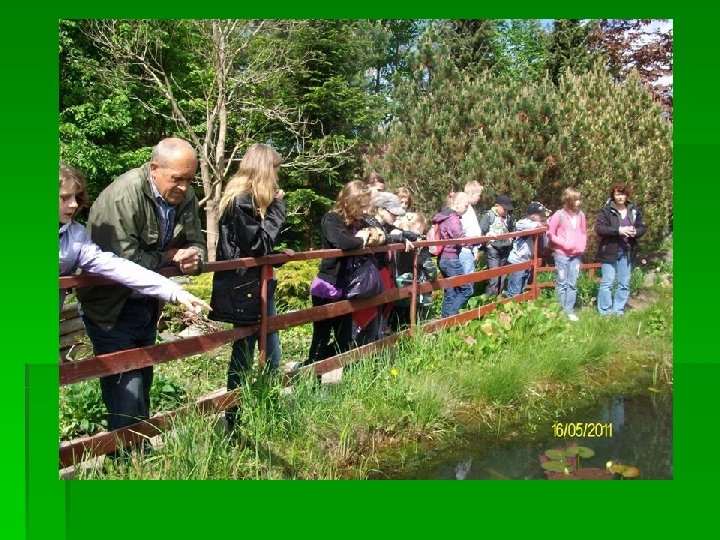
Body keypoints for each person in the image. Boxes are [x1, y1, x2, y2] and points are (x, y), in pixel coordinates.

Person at [76, 137, 208, 432]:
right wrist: (169, 257)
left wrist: (194, 258)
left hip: (147, 304)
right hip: (110, 306)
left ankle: (137, 451)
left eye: (189, 179)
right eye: (177, 179)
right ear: (154, 168)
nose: (184, 187)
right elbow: (123, 261)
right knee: (126, 389)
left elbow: (197, 242)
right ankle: (123, 452)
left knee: (143, 381)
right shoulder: (123, 196)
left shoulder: (185, 196)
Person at [59, 163, 209, 314]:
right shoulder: (126, 193)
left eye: (75, 197)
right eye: (65, 198)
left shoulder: (76, 235)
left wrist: (176, 292)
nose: (74, 204)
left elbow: (119, 267)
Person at [209, 143, 287, 430]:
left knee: (269, 352)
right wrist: (278, 207)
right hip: (244, 290)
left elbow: (254, 248)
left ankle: (265, 412)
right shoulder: (241, 202)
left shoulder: (247, 200)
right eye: (276, 170)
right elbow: (257, 246)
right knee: (244, 353)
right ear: (267, 170)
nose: (278, 177)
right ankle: (235, 419)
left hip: (253, 286)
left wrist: (277, 257)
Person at [306, 181, 377, 365]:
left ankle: (321, 367)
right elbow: (342, 242)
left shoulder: (359, 222)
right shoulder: (331, 219)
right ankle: (311, 374)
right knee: (321, 336)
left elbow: (379, 234)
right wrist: (361, 239)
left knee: (344, 339)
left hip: (347, 287)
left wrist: (373, 235)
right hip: (327, 287)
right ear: (349, 201)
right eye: (361, 206)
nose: (364, 210)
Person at [354, 192, 411, 343]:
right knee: (371, 313)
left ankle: (376, 345)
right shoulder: (369, 224)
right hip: (371, 276)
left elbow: (400, 234)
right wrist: (398, 237)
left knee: (380, 311)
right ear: (380, 210)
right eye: (392, 213)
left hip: (380, 273)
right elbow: (377, 238)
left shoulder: (384, 226)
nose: (395, 217)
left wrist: (405, 236)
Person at [595, 183, 646, 316]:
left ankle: (618, 310)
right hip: (609, 251)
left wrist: (636, 232)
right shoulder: (606, 211)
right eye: (617, 194)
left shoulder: (633, 211)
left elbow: (642, 227)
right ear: (613, 195)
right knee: (607, 282)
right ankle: (605, 311)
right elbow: (599, 229)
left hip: (627, 252)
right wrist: (618, 230)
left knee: (624, 284)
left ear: (627, 195)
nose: (620, 197)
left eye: (622, 194)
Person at [546, 188, 587, 321]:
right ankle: (561, 311)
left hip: (576, 255)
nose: (579, 202)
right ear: (569, 200)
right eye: (576, 199)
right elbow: (550, 234)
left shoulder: (581, 215)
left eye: (579, 199)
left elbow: (583, 232)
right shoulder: (559, 215)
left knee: (572, 283)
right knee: (562, 283)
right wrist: (564, 243)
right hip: (562, 255)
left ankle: (569, 311)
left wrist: (582, 245)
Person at [391, 211, 438, 328]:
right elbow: (427, 264)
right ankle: (414, 332)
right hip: (414, 281)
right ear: (418, 226)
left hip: (397, 281)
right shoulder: (419, 243)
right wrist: (432, 277)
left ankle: (397, 334)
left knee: (398, 314)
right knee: (415, 314)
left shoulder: (396, 237)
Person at [432, 192, 472, 317]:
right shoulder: (452, 219)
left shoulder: (444, 216)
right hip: (451, 259)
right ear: (457, 204)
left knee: (450, 291)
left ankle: (445, 321)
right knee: (466, 290)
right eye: (466, 206)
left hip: (443, 258)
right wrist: (478, 241)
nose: (466, 209)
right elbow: (460, 238)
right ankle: (451, 318)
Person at [505, 202, 549, 298]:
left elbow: (545, 244)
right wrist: (544, 224)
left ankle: (517, 306)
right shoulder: (522, 223)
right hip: (517, 261)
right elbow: (536, 225)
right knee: (514, 293)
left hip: (527, 262)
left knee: (522, 291)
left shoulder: (537, 226)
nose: (542, 217)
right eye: (540, 215)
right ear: (533, 216)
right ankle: (509, 306)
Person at [479, 194, 515, 297]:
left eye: (507, 209)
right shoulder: (489, 216)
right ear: (497, 206)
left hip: (505, 249)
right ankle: (489, 298)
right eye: (504, 209)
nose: (506, 211)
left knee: (503, 276)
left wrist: (511, 238)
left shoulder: (508, 218)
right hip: (493, 249)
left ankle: (499, 297)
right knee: (494, 277)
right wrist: (485, 241)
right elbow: (481, 231)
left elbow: (512, 230)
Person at [458, 181, 484, 300]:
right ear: (472, 194)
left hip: (469, 248)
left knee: (468, 280)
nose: (479, 198)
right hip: (465, 249)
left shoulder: (469, 209)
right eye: (479, 195)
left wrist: (475, 249)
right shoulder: (464, 209)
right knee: (467, 284)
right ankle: (460, 307)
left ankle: (462, 306)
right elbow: (463, 230)